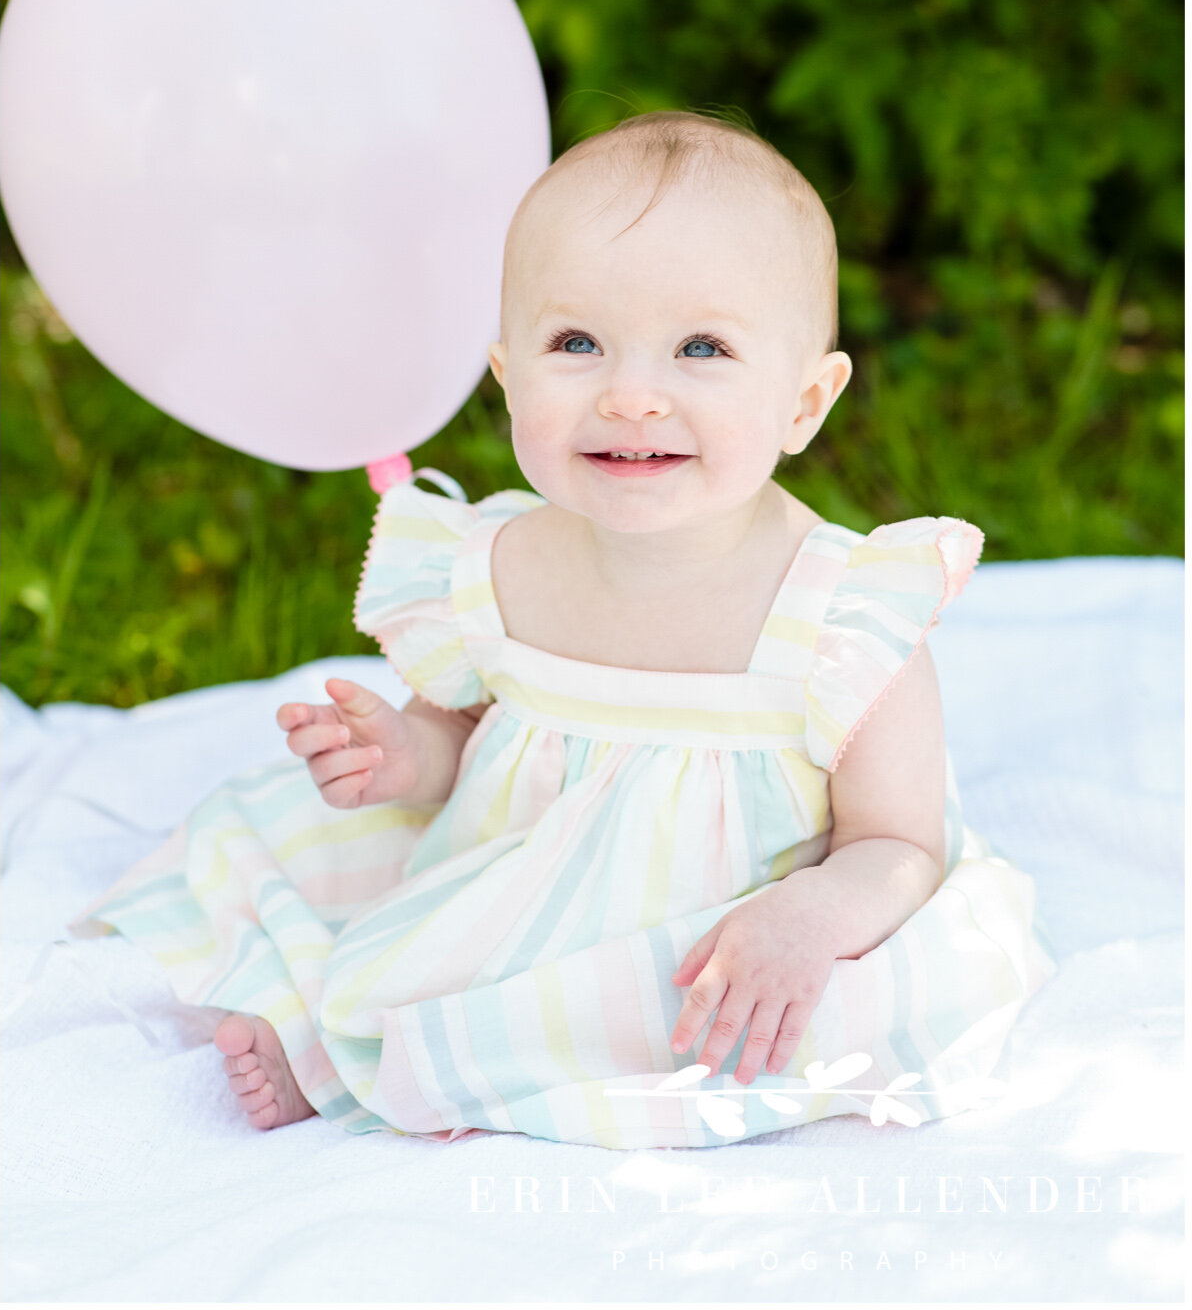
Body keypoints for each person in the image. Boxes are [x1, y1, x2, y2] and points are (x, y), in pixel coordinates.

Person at [84, 111, 1053, 1146]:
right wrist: (399, 754)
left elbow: (900, 844)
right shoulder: (502, 564)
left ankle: (391, 1056)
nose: (632, 395)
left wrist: (810, 917)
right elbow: (459, 736)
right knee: (395, 947)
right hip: (519, 892)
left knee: (791, 1010)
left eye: (702, 348)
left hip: (729, 934)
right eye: (577, 343)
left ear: (806, 401)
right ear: (508, 376)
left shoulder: (844, 617)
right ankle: (318, 1044)